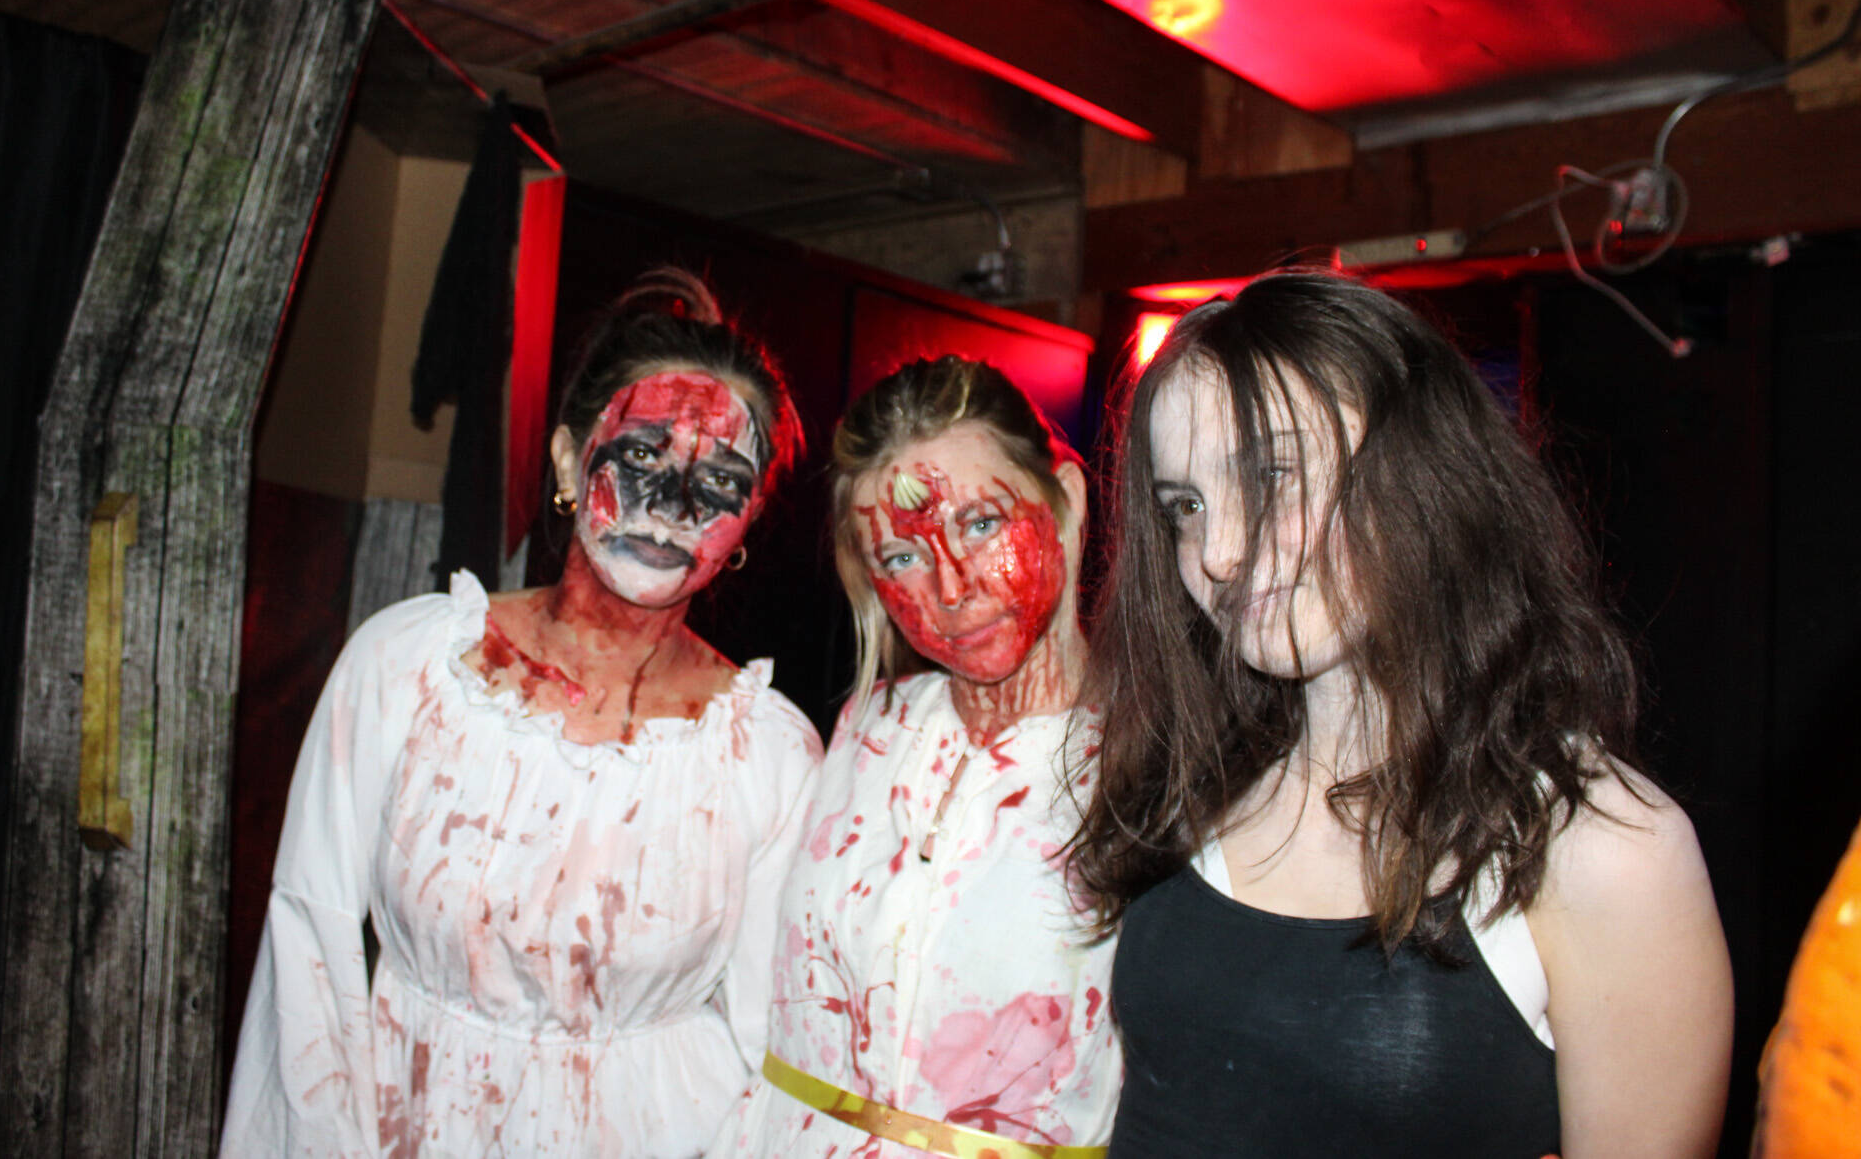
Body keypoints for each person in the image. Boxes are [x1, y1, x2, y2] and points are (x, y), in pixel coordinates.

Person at [1069, 269, 1733, 1159]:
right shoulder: (1194, 775)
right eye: (1185, 505)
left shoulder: (1602, 849)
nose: (1218, 552)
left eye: (1272, 473)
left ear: (1421, 472)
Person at [220, 270, 823, 1157]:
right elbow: (309, 956)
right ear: (569, 459)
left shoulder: (770, 753)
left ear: (752, 514)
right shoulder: (411, 665)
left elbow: (766, 1045)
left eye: (719, 478)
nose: (672, 508)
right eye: (645, 456)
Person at [711, 357, 1122, 1159]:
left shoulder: (1156, 770)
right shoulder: (866, 729)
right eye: (901, 557)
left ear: (1066, 500)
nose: (951, 586)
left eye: (979, 523)